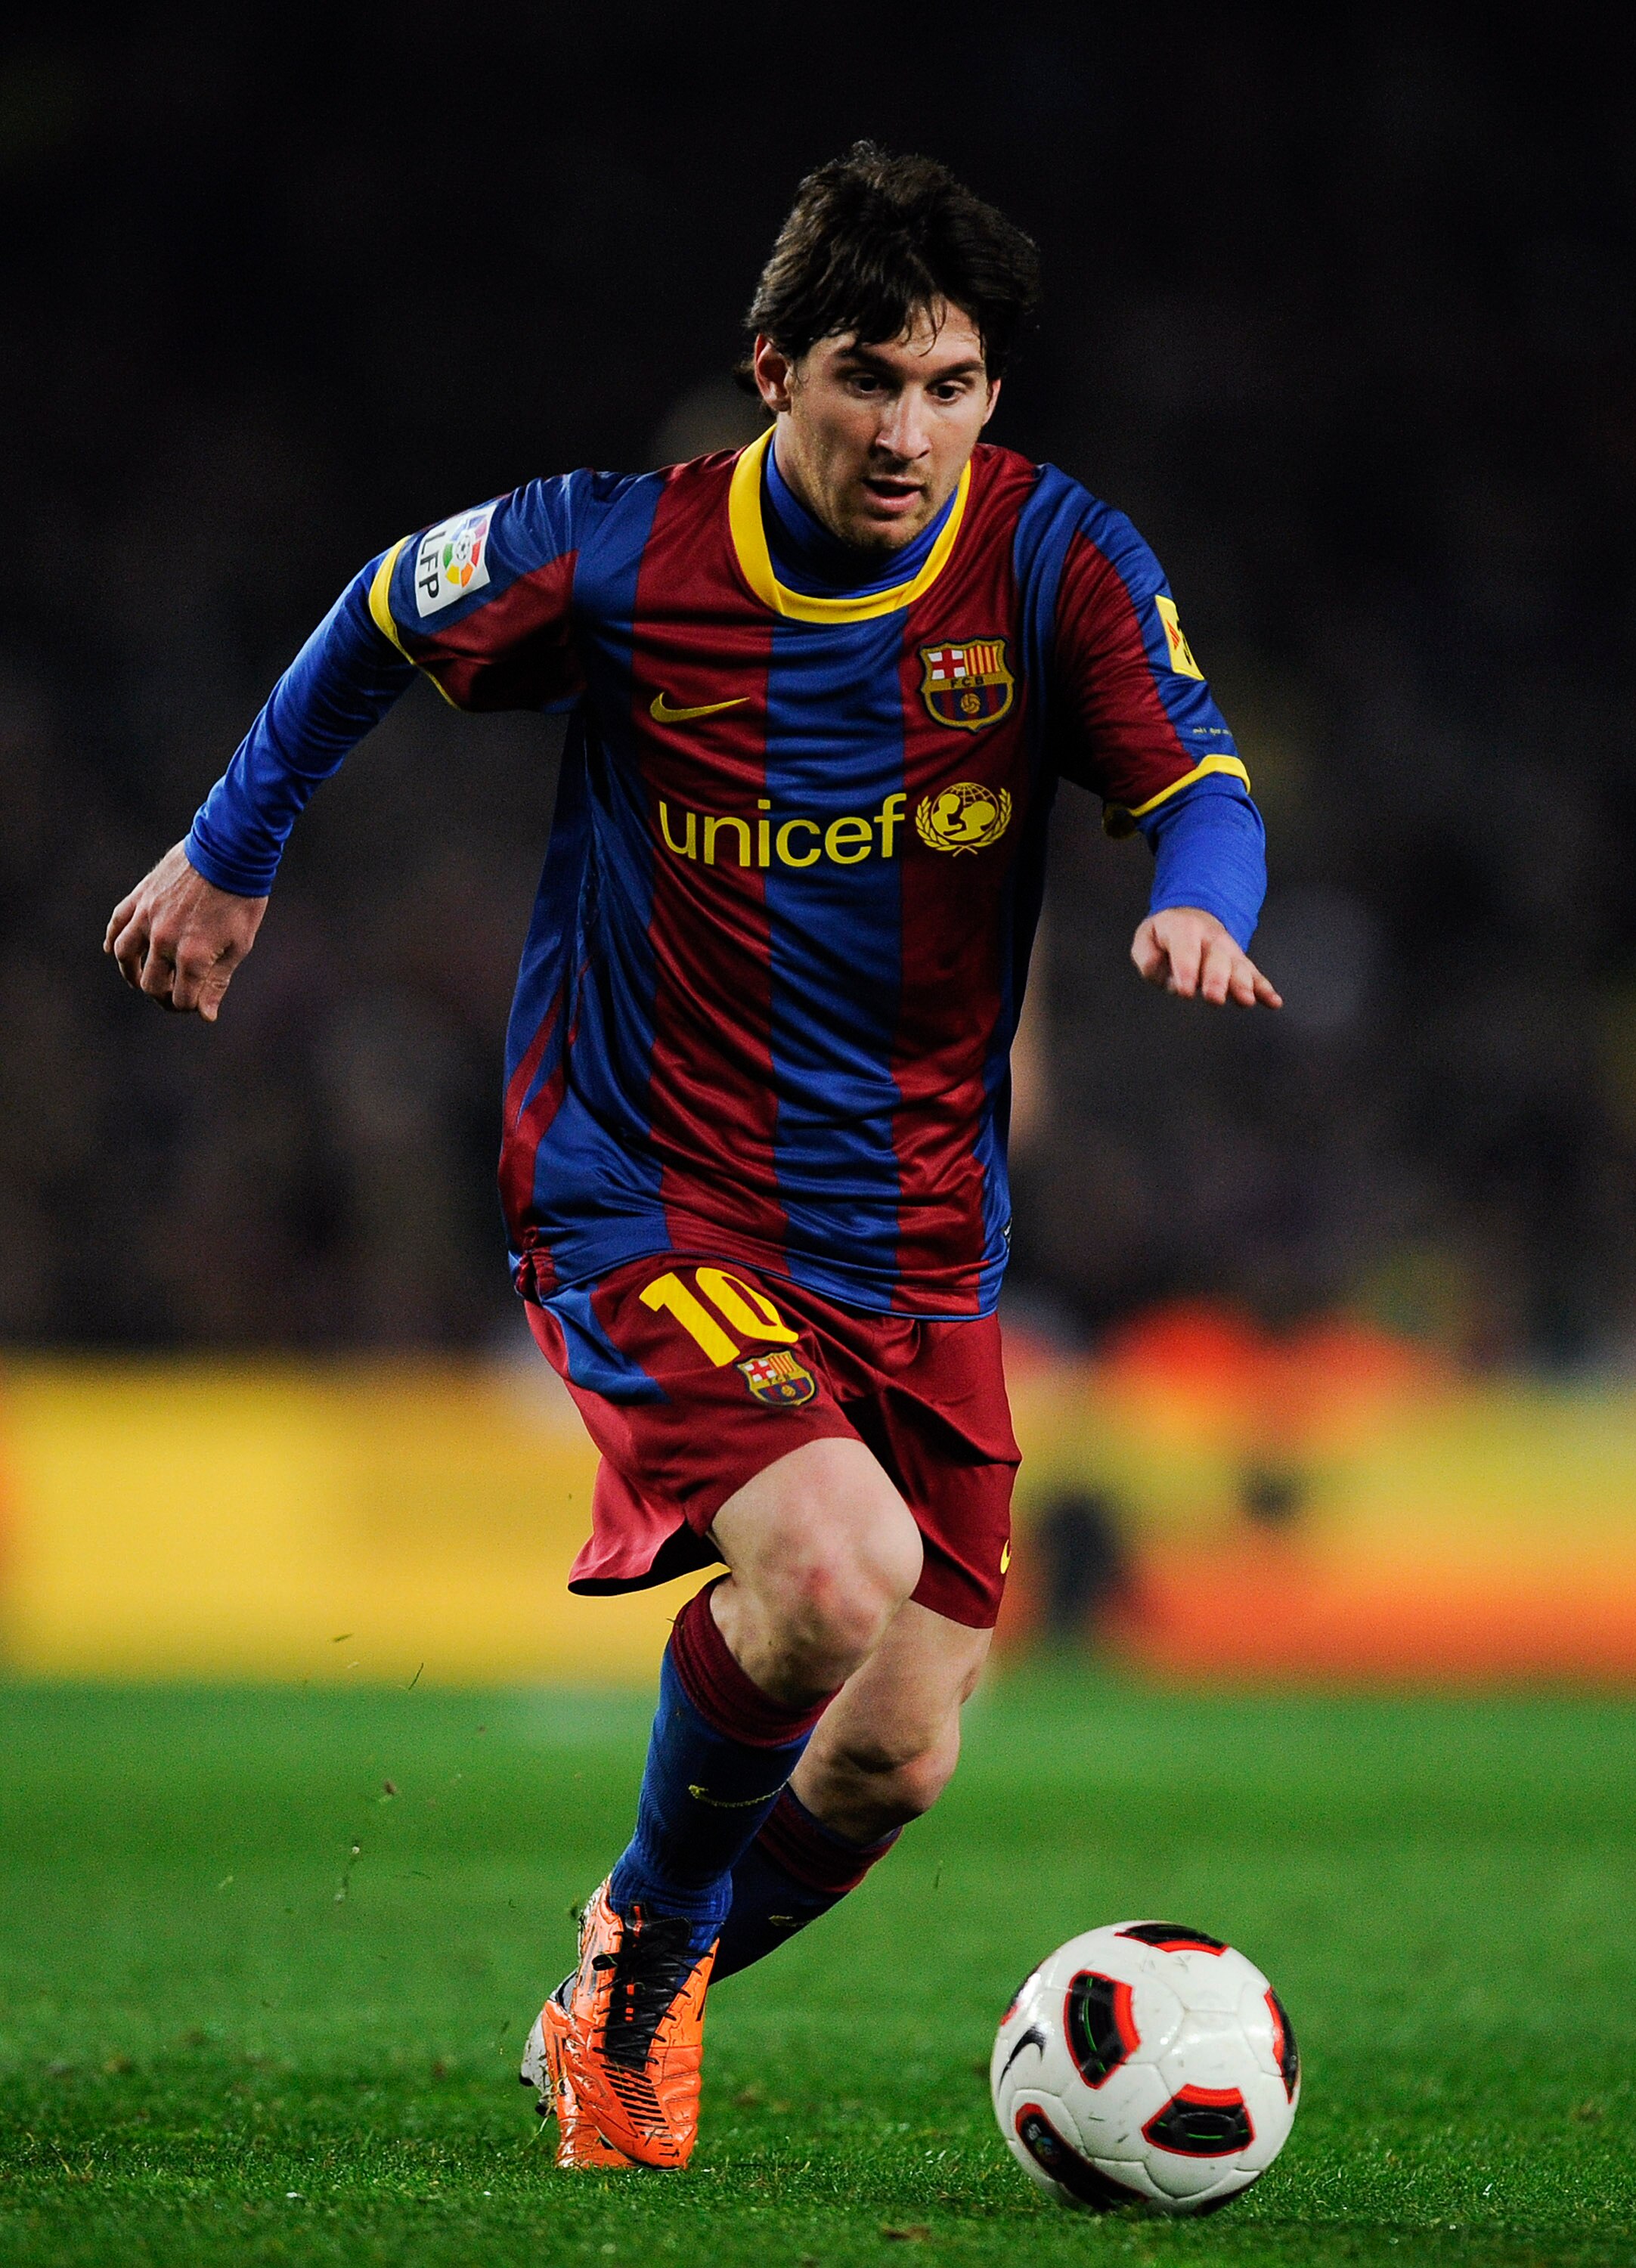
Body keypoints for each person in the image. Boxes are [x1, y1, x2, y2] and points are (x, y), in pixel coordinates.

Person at [104, 143, 1281, 2174]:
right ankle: (646, 1962)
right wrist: (230, 848)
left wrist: (1202, 898)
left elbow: (1202, 784)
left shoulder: (1055, 562)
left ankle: (619, 1975)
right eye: (864, 380)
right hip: (645, 1184)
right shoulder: (621, 549)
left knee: (900, 1748)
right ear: (771, 371)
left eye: (951, 386)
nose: (908, 430)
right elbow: (383, 607)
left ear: (993, 392)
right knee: (831, 1575)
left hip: (917, 1230)